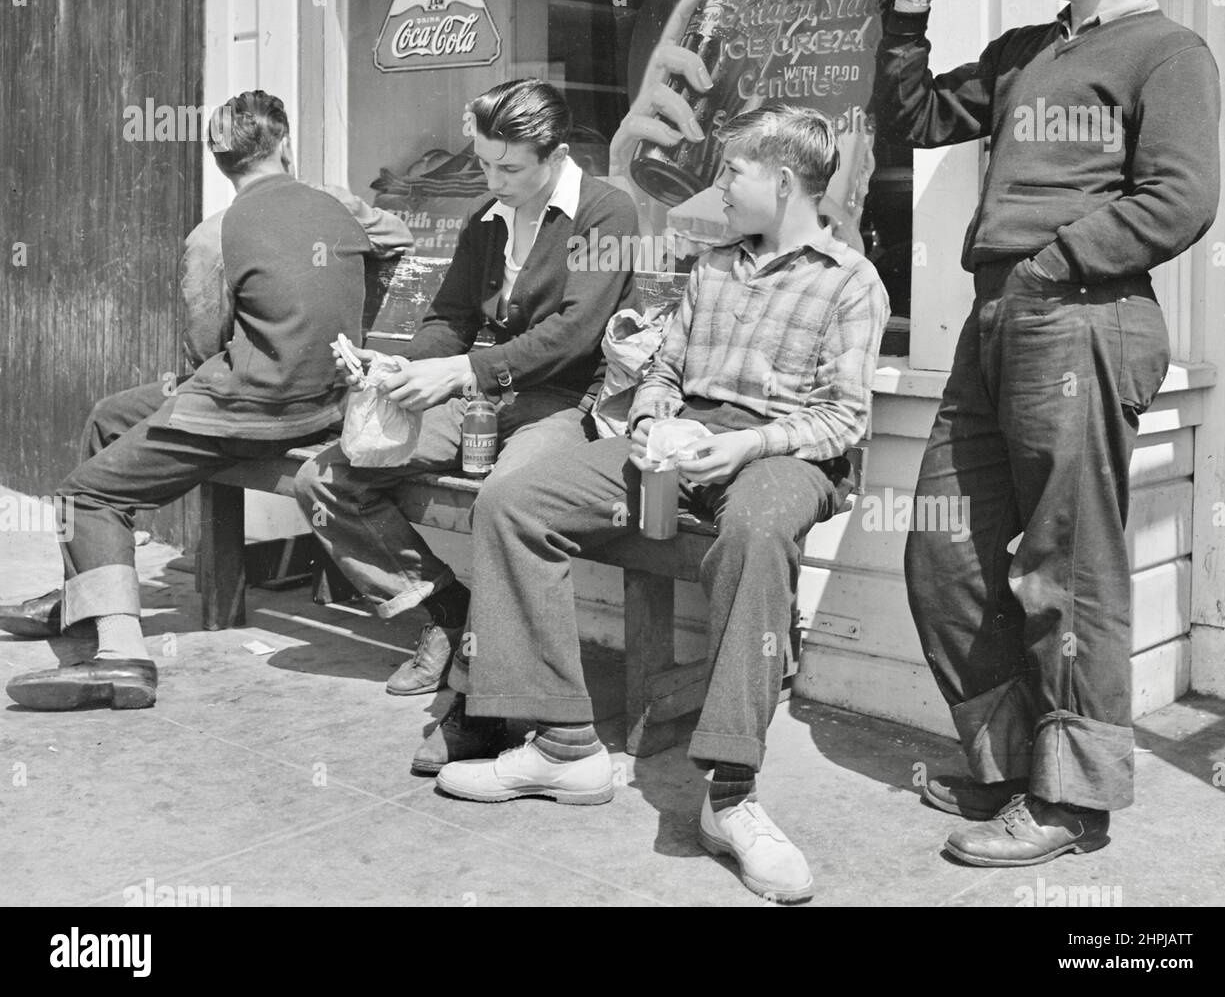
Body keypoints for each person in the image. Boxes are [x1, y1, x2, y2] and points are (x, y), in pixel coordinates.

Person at [423, 105, 888, 905]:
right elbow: (664, 366)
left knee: (754, 528)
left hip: (781, 454)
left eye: (731, 172)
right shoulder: (712, 266)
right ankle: (566, 742)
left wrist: (744, 446)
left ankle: (730, 797)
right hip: (683, 440)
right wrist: (650, 419)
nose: (718, 187)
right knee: (513, 498)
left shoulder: (850, 282)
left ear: (781, 183)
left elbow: (842, 418)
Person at [873, 0, 1220, 865]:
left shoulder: (1168, 52)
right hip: (996, 322)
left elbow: (1181, 197)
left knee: (1068, 566)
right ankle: (1010, 762)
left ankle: (1071, 803)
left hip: (1083, 315)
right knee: (942, 548)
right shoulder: (1028, 49)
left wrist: (1054, 263)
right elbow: (912, 118)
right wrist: (908, 7)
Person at [4, 92, 380, 710]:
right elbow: (388, 234)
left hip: (248, 410)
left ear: (217, 158)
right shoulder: (340, 204)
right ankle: (84, 602)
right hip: (324, 402)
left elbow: (202, 350)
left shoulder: (214, 236)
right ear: (284, 143)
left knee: (86, 494)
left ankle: (122, 658)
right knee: (110, 414)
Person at [293, 78, 640, 696]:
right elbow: (451, 319)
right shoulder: (486, 219)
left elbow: (574, 333)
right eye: (483, 161)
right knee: (327, 477)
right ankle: (443, 614)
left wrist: (463, 373)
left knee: (506, 502)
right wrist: (402, 368)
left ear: (557, 156)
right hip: (485, 399)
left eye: (508, 167)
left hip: (562, 405)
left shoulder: (605, 210)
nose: (492, 179)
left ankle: (506, 690)